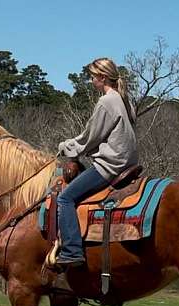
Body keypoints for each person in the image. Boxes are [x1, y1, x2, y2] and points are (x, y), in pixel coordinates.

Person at [56, 57, 138, 267]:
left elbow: (89, 137)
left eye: (93, 77)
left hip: (110, 165)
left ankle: (72, 251)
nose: (91, 81)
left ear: (102, 77)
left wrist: (65, 147)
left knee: (64, 199)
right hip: (127, 163)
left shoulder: (106, 102)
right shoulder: (124, 99)